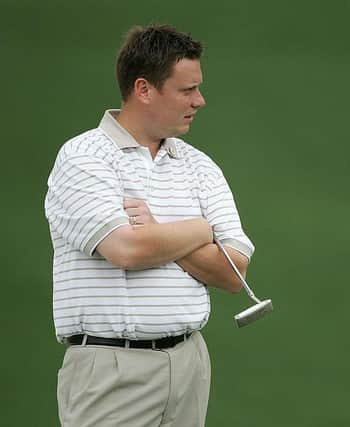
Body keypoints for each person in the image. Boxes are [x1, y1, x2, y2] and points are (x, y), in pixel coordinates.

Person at [45, 24, 255, 427]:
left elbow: (234, 271)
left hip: (189, 361)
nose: (200, 100)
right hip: (111, 366)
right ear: (143, 89)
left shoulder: (199, 166)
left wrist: (162, 229)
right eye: (187, 90)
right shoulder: (83, 158)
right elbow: (126, 250)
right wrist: (200, 230)